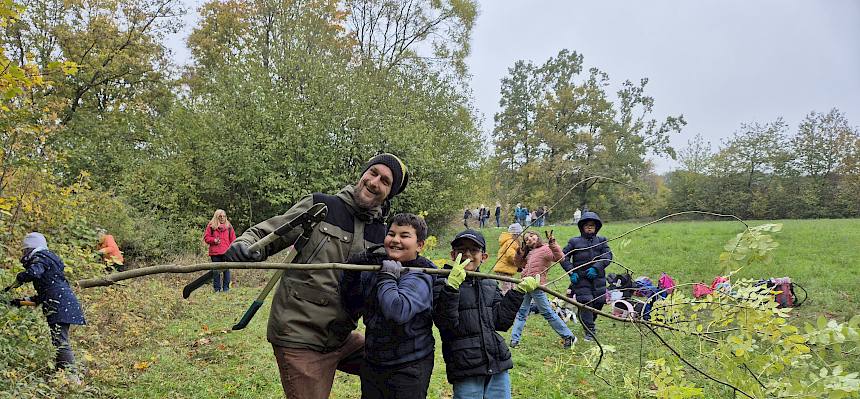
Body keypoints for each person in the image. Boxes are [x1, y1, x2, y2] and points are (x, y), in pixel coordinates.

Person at [223, 153, 409, 399]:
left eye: (385, 181)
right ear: (363, 174)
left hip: (340, 337)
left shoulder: (380, 233)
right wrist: (245, 244)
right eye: (373, 173)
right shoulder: (321, 207)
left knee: (398, 365)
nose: (374, 182)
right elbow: (266, 232)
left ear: (389, 193)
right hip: (300, 334)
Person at [340, 213, 437, 399]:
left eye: (404, 235)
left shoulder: (421, 276)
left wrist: (388, 277)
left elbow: (397, 310)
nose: (395, 240)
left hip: (408, 368)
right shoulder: (377, 267)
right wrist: (353, 270)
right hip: (374, 363)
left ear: (420, 245)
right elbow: (353, 305)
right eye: (391, 234)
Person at [434, 230, 536, 399]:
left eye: (474, 250)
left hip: (497, 363)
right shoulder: (442, 282)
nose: (467, 254)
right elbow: (445, 324)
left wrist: (518, 292)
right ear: (453, 255)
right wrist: (451, 288)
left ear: (484, 256)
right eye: (461, 250)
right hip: (465, 366)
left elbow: (501, 322)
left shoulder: (489, 283)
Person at [7, 232, 85, 381]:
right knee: (59, 340)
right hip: (63, 302)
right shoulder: (50, 262)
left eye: (25, 250)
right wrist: (20, 301)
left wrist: (21, 278)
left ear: (31, 248)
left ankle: (73, 378)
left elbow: (34, 273)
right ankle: (61, 376)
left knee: (60, 342)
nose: (23, 253)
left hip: (60, 305)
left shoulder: (41, 257)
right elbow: (43, 294)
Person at [510, 231, 576, 349]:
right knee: (521, 313)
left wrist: (552, 243)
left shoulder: (546, 248)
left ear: (537, 236)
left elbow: (560, 258)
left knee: (547, 313)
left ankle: (568, 336)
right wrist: (519, 253)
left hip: (537, 286)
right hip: (525, 285)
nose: (529, 239)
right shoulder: (529, 253)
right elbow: (518, 265)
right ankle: (514, 340)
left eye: (531, 236)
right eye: (526, 239)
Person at [561, 211, 612, 341]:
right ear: (582, 227)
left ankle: (586, 318)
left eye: (592, 225)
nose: (590, 227)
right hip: (580, 279)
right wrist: (571, 272)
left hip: (598, 278)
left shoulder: (601, 241)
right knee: (586, 302)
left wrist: (596, 268)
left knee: (599, 303)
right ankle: (590, 331)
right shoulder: (574, 242)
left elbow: (608, 256)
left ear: (596, 227)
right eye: (587, 225)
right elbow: (563, 257)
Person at [203, 209, 236, 292]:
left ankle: (226, 289)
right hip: (215, 252)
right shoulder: (211, 226)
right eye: (220, 216)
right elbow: (206, 238)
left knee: (226, 271)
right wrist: (214, 240)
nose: (222, 218)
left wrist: (233, 250)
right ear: (216, 217)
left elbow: (233, 240)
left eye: (224, 216)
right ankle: (217, 289)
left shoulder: (229, 226)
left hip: (226, 252)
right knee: (216, 272)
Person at [492, 223, 523, 294]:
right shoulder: (512, 242)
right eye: (520, 236)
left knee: (512, 287)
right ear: (516, 235)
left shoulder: (509, 241)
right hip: (504, 270)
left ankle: (511, 300)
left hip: (506, 270)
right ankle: (504, 301)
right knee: (506, 289)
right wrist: (518, 262)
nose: (521, 238)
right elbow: (510, 255)